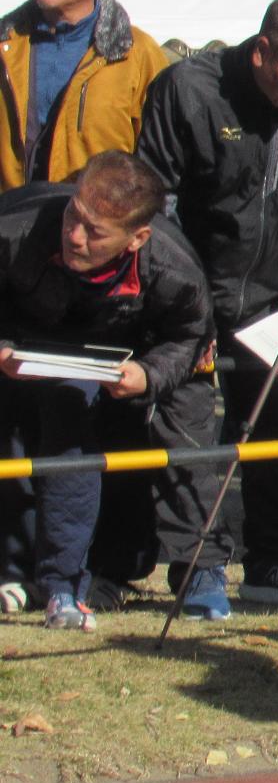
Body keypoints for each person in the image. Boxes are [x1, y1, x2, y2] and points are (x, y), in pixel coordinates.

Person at [135, 0, 278, 612]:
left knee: (275, 425)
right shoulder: (187, 89)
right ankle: (198, 565)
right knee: (190, 431)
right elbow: (157, 198)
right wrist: (181, 296)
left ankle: (275, 561)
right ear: (263, 51)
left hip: (271, 292)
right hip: (187, 289)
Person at [0, 154, 211, 628]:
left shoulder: (174, 267)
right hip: (17, 346)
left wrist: (151, 374)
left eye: (95, 232)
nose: (75, 235)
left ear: (138, 238)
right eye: (74, 215)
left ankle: (65, 586)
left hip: (113, 364)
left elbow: (191, 335)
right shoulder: (14, 226)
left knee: (74, 437)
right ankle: (15, 572)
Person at [2, 0, 171, 195]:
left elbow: (164, 161)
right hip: (9, 226)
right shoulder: (5, 46)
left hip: (98, 228)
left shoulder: (135, 54)